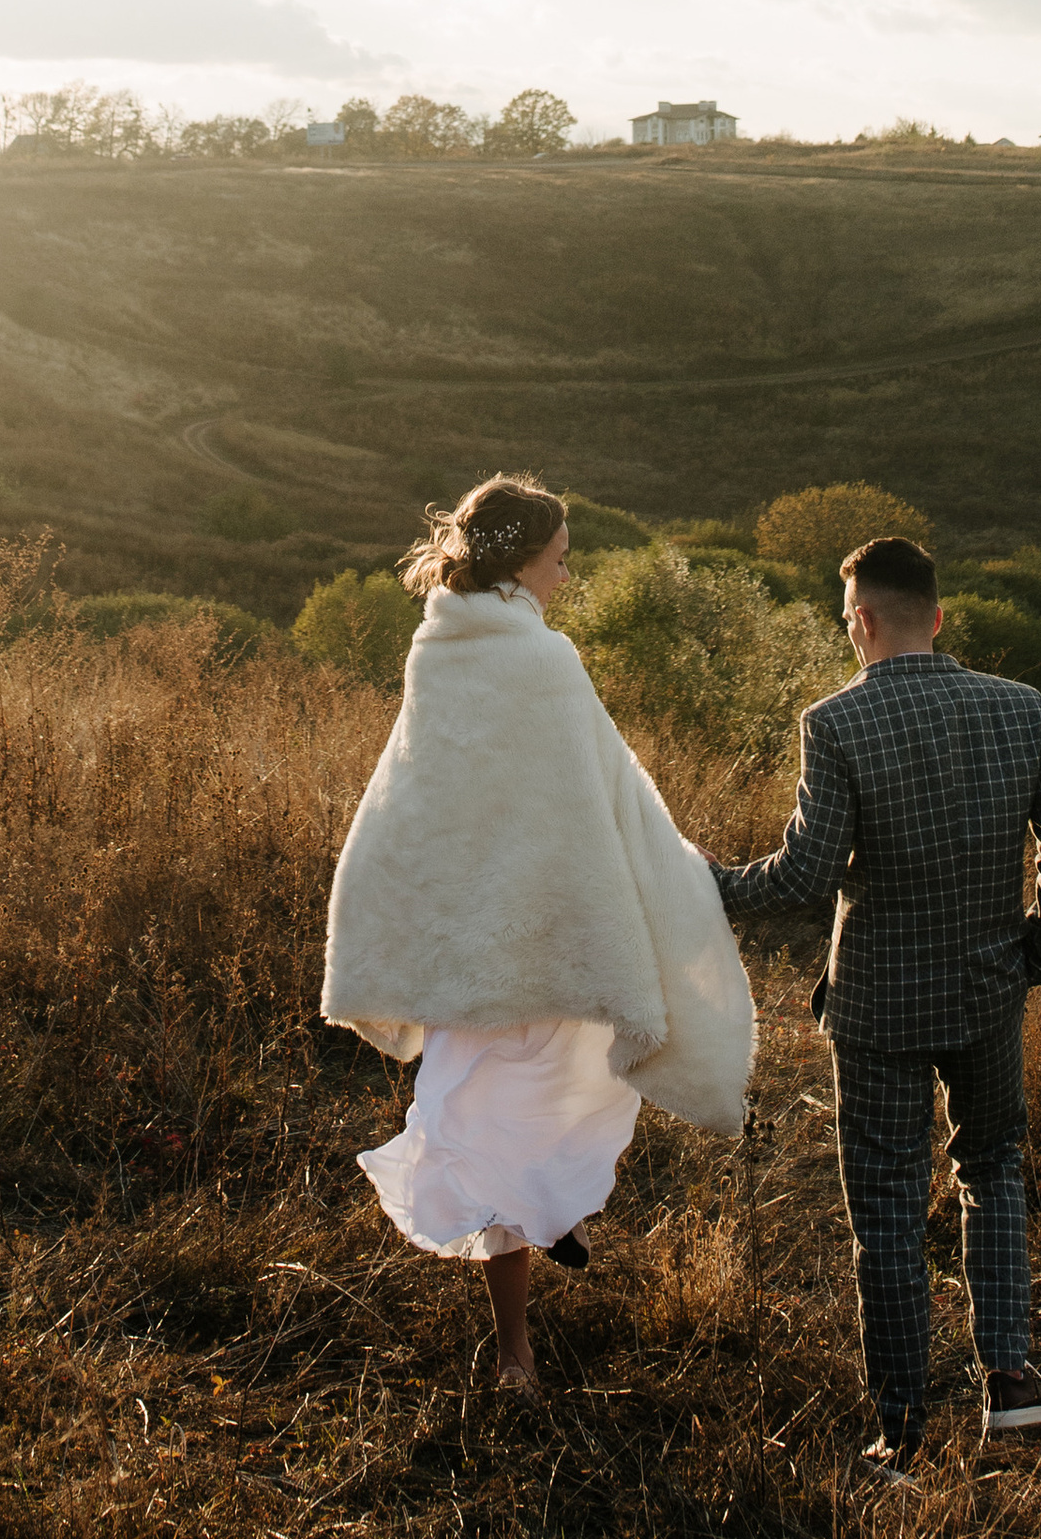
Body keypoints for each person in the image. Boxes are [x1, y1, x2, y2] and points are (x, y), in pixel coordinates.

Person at [321, 477, 755, 1397]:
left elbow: (414, 798)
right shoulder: (542, 661)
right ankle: (518, 1344)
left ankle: (523, 1317)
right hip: (549, 948)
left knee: (492, 1137)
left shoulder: (433, 651)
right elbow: (609, 789)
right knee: (519, 1141)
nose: (567, 572)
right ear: (524, 559)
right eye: (561, 556)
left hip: (467, 955)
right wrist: (675, 862)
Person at [707, 531, 1041, 1463]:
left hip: (879, 1004)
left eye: (849, 623)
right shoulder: (1020, 708)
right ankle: (1010, 1381)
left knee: (885, 1206)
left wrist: (705, 883)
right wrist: (1033, 955)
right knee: (992, 1169)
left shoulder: (835, 723)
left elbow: (804, 876)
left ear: (865, 622)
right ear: (942, 616)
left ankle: (904, 1431)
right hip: (989, 989)